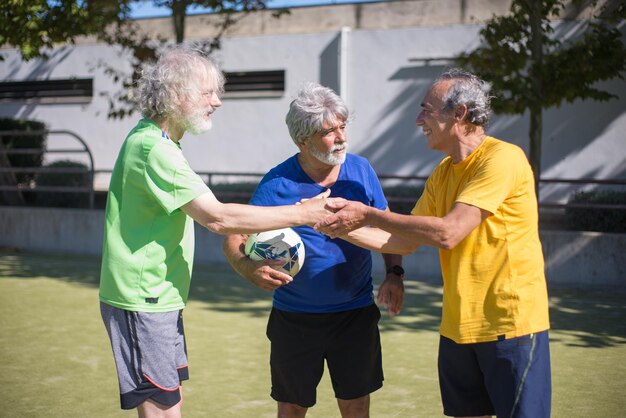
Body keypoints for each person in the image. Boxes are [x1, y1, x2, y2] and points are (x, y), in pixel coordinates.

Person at [99, 46, 336, 418]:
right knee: (161, 406)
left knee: (168, 399)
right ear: (177, 95)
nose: (217, 102)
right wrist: (303, 213)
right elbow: (218, 219)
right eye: (208, 92)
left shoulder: (161, 143)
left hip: (157, 296)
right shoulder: (152, 148)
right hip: (141, 297)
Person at [315, 69, 551, 418]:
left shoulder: (502, 158)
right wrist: (329, 225)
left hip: (510, 326)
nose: (418, 119)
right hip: (456, 327)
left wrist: (365, 213)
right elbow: (400, 240)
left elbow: (448, 232)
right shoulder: (443, 172)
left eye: (427, 109)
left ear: (460, 114)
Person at [222, 82, 404, 418]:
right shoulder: (277, 183)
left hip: (355, 314)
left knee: (356, 406)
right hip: (294, 319)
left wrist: (394, 273)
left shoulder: (361, 170)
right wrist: (246, 267)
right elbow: (234, 238)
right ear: (302, 140)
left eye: (343, 127)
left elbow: (387, 226)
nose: (341, 138)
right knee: (291, 408)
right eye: (329, 131)